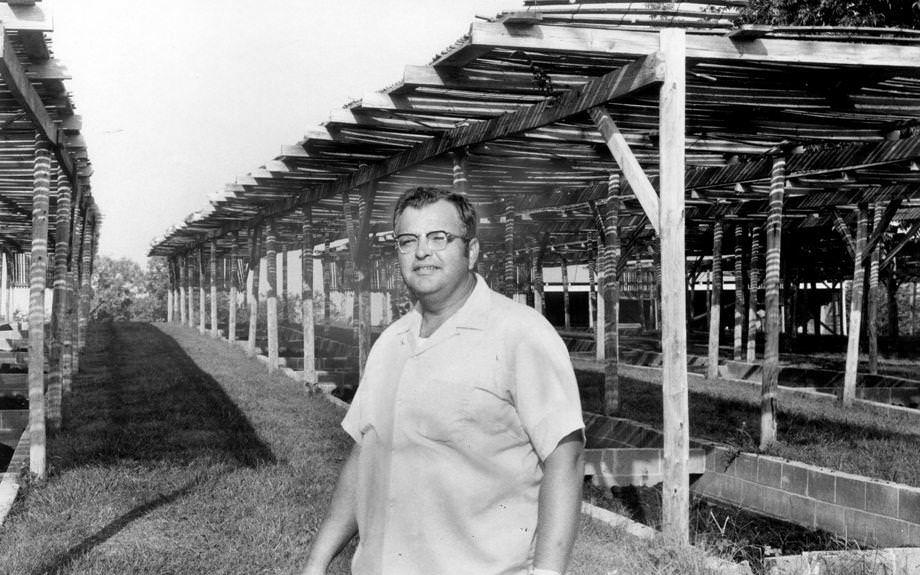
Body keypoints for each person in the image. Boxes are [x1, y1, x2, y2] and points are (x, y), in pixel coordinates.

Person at [301, 187, 585, 575]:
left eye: (439, 238)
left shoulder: (520, 333)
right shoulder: (391, 342)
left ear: (471, 251)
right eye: (408, 241)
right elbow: (366, 451)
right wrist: (316, 562)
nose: (422, 252)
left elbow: (565, 455)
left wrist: (548, 573)